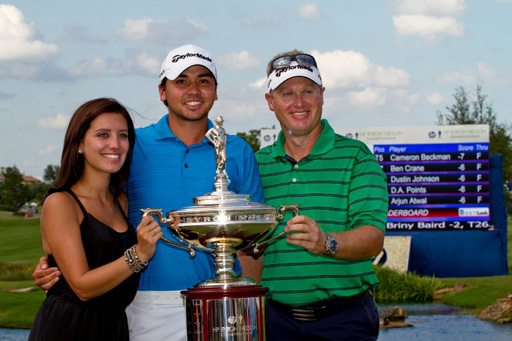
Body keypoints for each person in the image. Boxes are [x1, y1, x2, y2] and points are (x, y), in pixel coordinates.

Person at [33, 45, 265, 340]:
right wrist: (52, 263)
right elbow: (86, 211)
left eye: (203, 80)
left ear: (216, 91)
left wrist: (241, 301)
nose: (193, 89)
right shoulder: (131, 146)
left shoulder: (238, 150)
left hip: (219, 303)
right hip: (144, 307)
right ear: (162, 91)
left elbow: (251, 242)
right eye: (181, 81)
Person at [254, 50, 389, 340]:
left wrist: (325, 243)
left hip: (343, 320)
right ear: (270, 102)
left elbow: (373, 238)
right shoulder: (257, 164)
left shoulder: (356, 156)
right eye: (287, 93)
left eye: (308, 91)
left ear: (322, 95)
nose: (299, 102)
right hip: (273, 321)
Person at [28, 98, 162, 341]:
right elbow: (82, 287)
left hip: (114, 326)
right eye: (103, 134)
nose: (115, 144)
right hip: (69, 328)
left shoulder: (120, 201)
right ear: (79, 143)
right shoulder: (61, 203)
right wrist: (139, 254)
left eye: (123, 135)